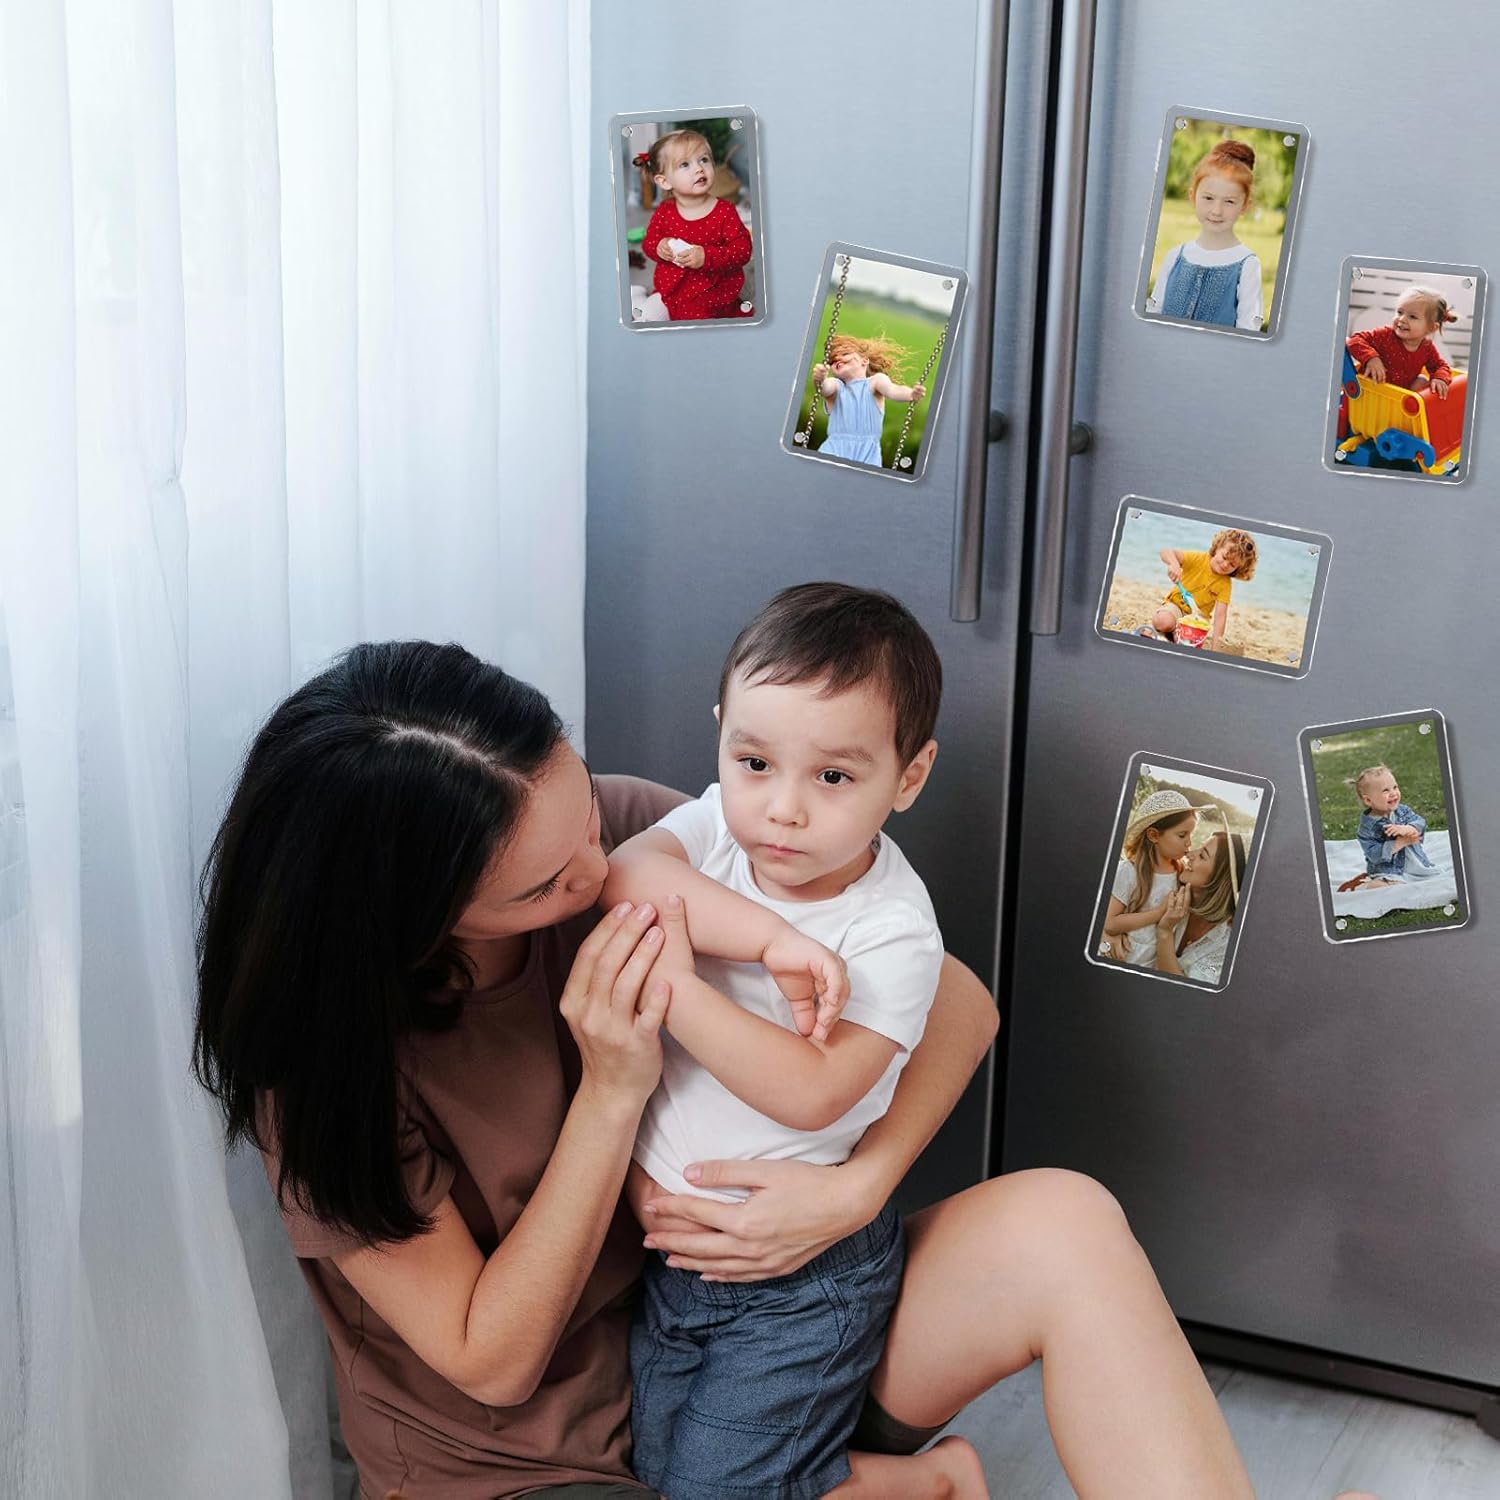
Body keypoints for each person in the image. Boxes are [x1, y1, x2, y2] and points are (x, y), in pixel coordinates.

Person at [193, 639, 1256, 1500]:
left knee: (1062, 1223)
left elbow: (958, 1002)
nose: (597, 874)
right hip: (520, 1463)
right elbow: (491, 1362)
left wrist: (854, 1189)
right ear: (413, 920)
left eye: (584, 817)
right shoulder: (320, 1068)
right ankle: (912, 1486)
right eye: (546, 888)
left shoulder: (622, 837)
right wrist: (612, 1093)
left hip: (760, 1339)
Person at [601, 585, 949, 1498]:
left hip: (802, 1283)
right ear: (722, 735)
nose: (782, 809)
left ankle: (937, 1482)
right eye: (754, 761)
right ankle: (926, 1485)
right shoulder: (717, 825)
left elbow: (811, 1093)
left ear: (908, 777)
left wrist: (675, 987)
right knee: (661, 1473)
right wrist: (769, 940)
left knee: (718, 1490)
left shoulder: (891, 930)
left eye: (833, 778)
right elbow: (626, 875)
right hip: (679, 1262)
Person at [1145, 139, 1263, 331]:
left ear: (1244, 206)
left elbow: (1248, 332)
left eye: (1229, 201)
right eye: (1208, 198)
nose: (1217, 211)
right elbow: (1153, 316)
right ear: (1193, 196)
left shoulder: (1247, 265)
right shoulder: (1175, 256)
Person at [637, 129, 753, 321]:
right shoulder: (664, 211)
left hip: (711, 297)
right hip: (671, 293)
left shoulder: (725, 211)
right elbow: (648, 242)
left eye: (704, 160)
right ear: (664, 181)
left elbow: (742, 251)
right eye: (685, 164)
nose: (699, 168)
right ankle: (638, 295)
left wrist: (706, 256)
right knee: (646, 318)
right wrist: (658, 246)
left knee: (699, 330)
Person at [1102, 789, 1200, 967]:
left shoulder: (1182, 873)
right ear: (1154, 835)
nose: (1189, 843)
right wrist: (1158, 913)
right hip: (1125, 959)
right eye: (1182, 835)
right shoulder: (1129, 872)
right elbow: (1109, 923)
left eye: (1191, 835)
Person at [1152, 828, 1248, 984]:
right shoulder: (1168, 886)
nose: (1189, 854)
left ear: (1220, 878)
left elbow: (1183, 992)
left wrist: (1165, 932)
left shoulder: (1226, 944)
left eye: (1202, 855)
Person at [812, 335, 926, 466]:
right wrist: (820, 379)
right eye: (832, 360)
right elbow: (824, 388)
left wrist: (911, 394)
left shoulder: (875, 382)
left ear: (864, 361)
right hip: (833, 450)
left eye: (844, 354)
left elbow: (893, 390)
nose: (837, 359)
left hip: (867, 455)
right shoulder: (836, 387)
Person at [1142, 528, 1258, 650]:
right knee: (1162, 621)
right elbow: (1166, 551)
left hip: (1197, 619)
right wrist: (1174, 564)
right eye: (1224, 557)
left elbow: (1220, 616)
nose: (1225, 565)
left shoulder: (1225, 584)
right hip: (1176, 606)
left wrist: (1215, 648)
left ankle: (1175, 633)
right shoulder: (1198, 559)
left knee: (1188, 642)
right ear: (1217, 548)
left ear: (1238, 568)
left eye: (1232, 565)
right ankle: (1172, 630)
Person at [1346, 285, 1457, 400]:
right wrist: (1371, 358)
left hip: (1398, 399)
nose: (1402, 319)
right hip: (1371, 392)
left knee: (1422, 381)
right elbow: (1355, 340)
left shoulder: (1426, 347)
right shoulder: (1385, 335)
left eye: (1412, 317)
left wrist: (1439, 378)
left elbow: (1440, 366)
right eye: (1400, 312)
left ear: (1431, 328)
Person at [1353, 764, 1440, 887]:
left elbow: (1420, 822)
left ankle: (1410, 877)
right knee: (1384, 884)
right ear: (1368, 800)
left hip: (1416, 864)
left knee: (1434, 875)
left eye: (1395, 787)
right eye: (1386, 790)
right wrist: (1399, 843)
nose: (1393, 793)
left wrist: (1408, 828)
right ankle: (1374, 883)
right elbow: (1373, 855)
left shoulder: (1402, 811)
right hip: (1389, 870)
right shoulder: (1367, 828)